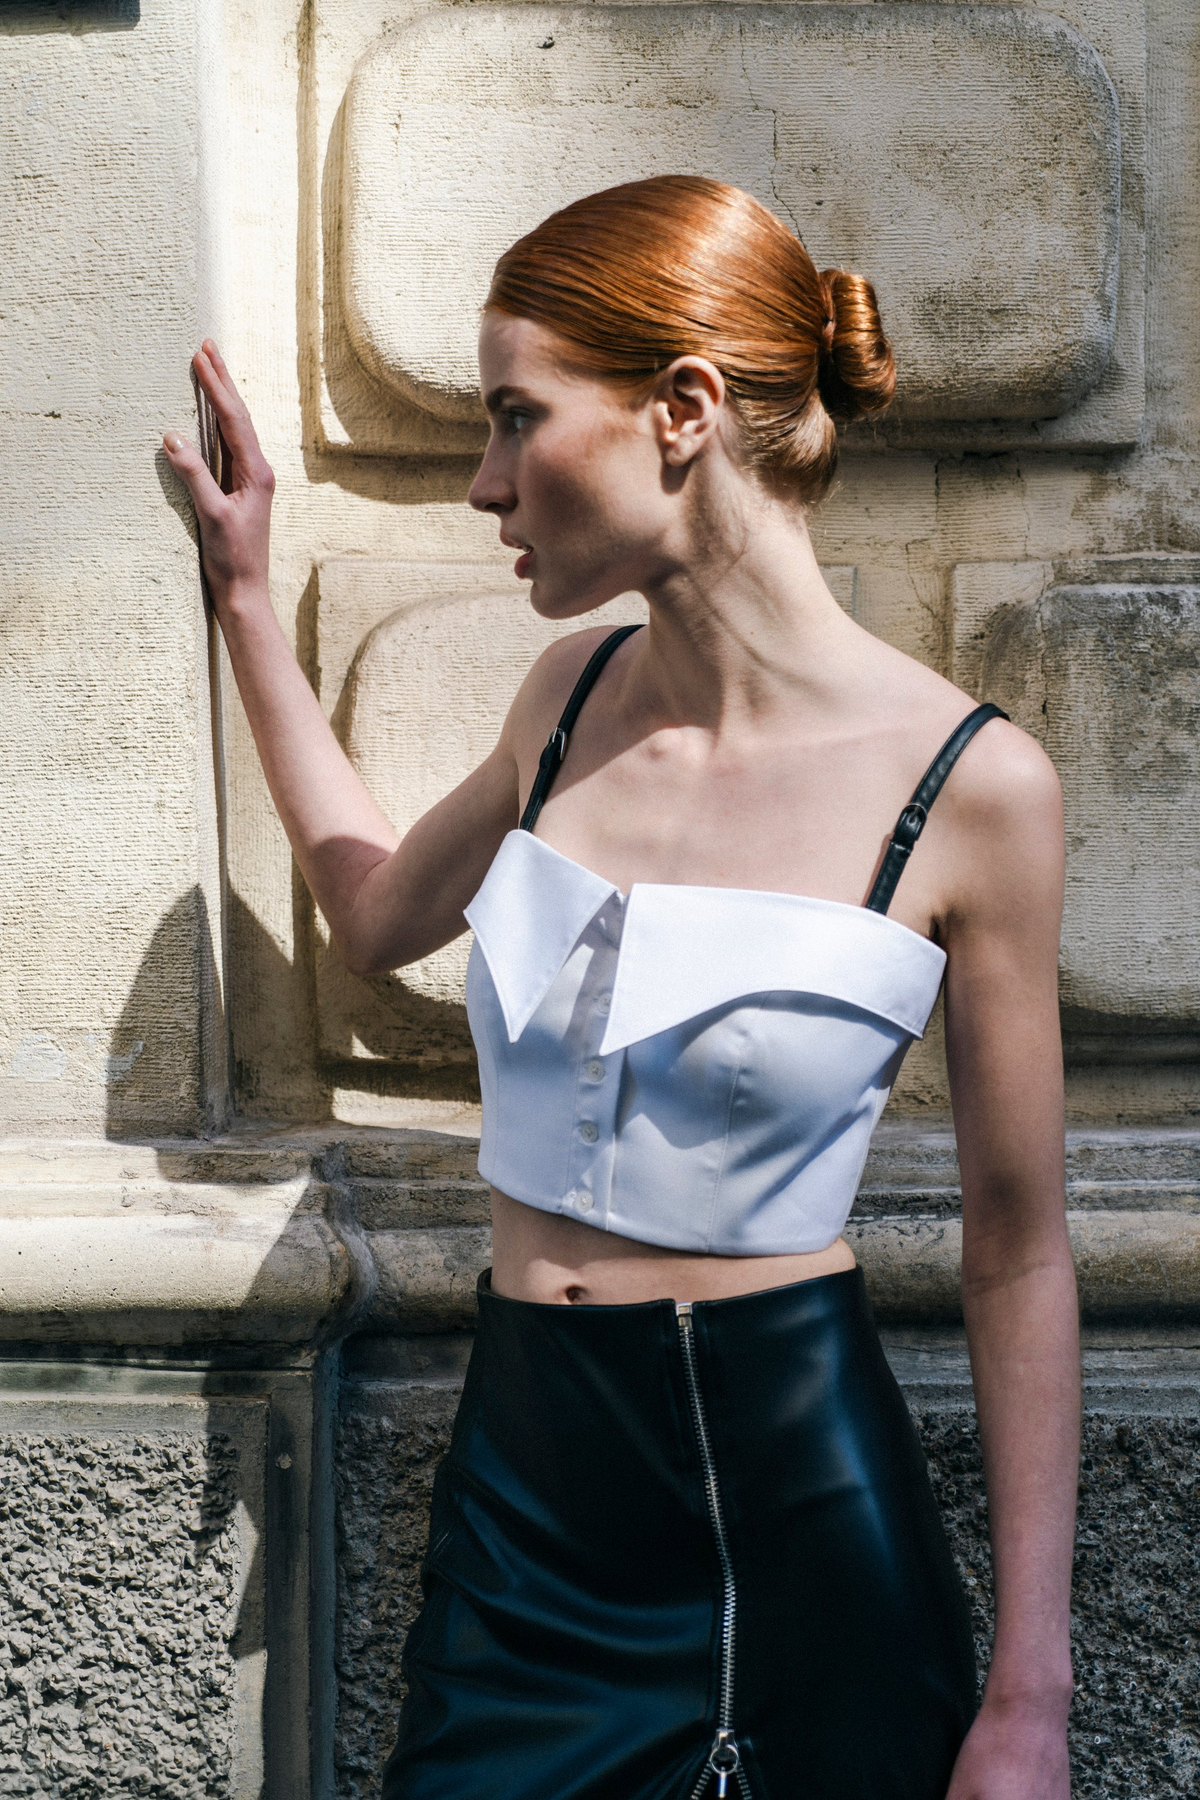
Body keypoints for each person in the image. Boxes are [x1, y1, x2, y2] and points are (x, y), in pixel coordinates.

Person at [164, 175, 1079, 1800]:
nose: (483, 484)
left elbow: (1018, 1250)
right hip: (525, 1492)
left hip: (796, 1503)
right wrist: (247, 600)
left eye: (518, 419)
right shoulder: (568, 694)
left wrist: (1032, 1700)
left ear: (684, 409)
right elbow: (372, 918)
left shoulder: (971, 783)